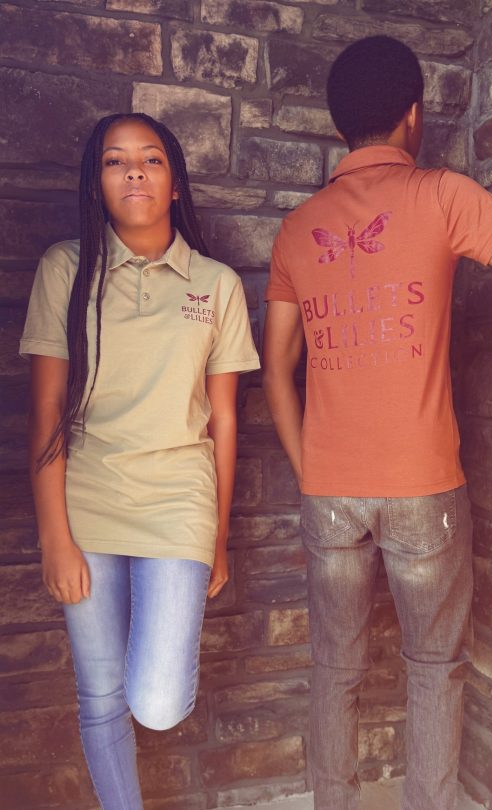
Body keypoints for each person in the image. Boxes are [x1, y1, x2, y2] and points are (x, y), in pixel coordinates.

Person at [262, 36, 492, 810]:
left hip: (330, 491)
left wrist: (312, 469)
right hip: (423, 488)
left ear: (338, 125)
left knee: (334, 669)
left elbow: (275, 367)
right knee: (435, 669)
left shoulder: (298, 227)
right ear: (413, 116)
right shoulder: (442, 196)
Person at [20, 112, 260, 809]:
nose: (133, 171)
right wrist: (54, 538)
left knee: (155, 701)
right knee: (100, 694)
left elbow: (223, 420)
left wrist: (217, 539)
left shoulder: (215, 284)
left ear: (175, 183)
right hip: (88, 502)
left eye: (151, 159)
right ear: (96, 182)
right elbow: (45, 410)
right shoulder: (65, 269)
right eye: (114, 160)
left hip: (179, 503)